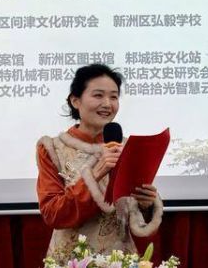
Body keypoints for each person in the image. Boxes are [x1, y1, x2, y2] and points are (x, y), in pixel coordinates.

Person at [36, 64, 163, 263]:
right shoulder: (52, 148)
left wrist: (145, 204)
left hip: (120, 259)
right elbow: (53, 214)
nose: (107, 104)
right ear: (75, 101)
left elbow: (134, 216)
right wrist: (95, 173)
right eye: (98, 95)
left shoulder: (127, 147)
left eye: (114, 97)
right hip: (72, 260)